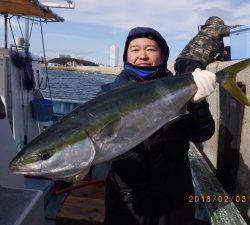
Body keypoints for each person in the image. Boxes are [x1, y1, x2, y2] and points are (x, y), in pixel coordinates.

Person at [103, 27, 216, 225]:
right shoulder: (107, 96)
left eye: (151, 49)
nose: (142, 56)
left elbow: (202, 133)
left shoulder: (182, 88)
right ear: (126, 56)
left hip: (175, 198)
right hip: (126, 198)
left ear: (163, 55)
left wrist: (197, 103)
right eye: (135, 49)